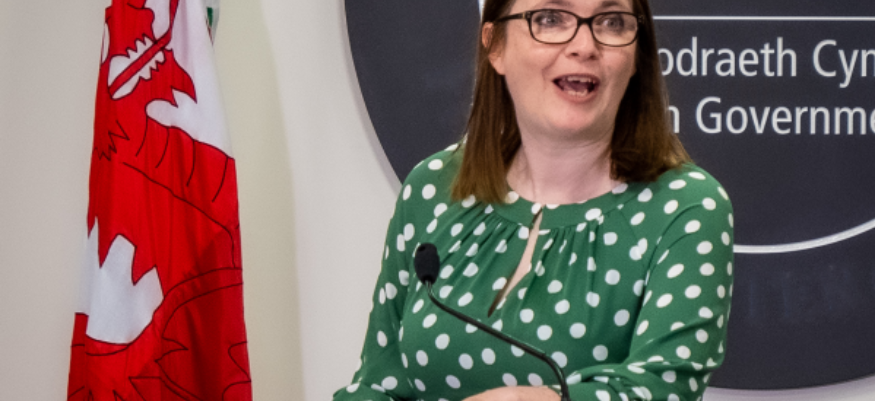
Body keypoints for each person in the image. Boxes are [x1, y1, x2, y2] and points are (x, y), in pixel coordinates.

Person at [334, 0, 734, 400]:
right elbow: (378, 384)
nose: (584, 46)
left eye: (612, 22)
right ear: (495, 46)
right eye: (550, 19)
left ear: (636, 56)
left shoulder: (687, 207)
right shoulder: (434, 186)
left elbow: (661, 390)